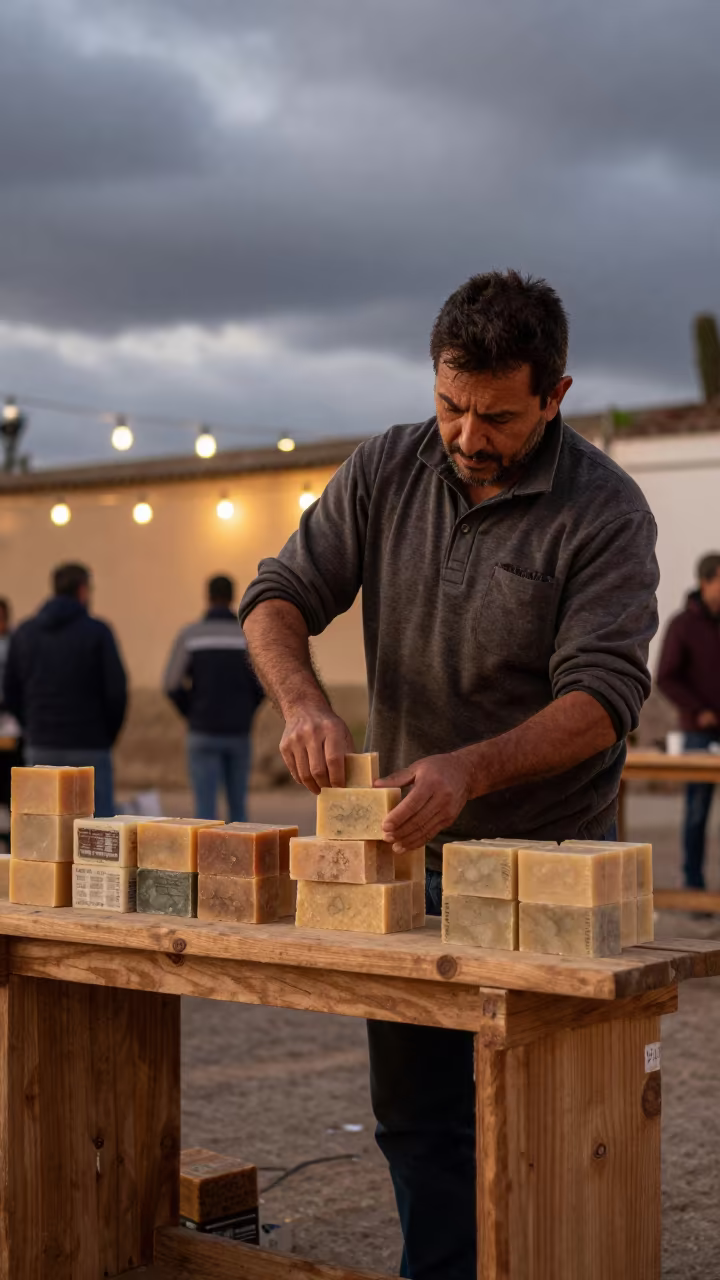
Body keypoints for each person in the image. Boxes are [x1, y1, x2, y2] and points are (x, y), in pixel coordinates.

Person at [239, 270, 659, 1280]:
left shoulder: (606, 510)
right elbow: (277, 595)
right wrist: (301, 699)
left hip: (549, 868)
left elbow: (604, 697)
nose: (469, 436)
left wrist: (472, 768)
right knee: (421, 1127)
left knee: (551, 1121)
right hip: (407, 859)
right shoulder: (387, 465)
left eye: (499, 416)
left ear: (555, 394)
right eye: (451, 405)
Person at [3, 563, 127, 817]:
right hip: (90, 745)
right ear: (82, 591)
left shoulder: (24, 633)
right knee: (98, 835)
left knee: (42, 832)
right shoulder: (98, 632)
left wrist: (31, 726)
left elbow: (10, 690)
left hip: (41, 744)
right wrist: (105, 736)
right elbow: (116, 692)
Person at [163, 574, 264, 822]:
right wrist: (246, 711)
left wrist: (192, 712)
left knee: (205, 813)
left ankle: (203, 861)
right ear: (233, 597)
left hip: (202, 732)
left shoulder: (191, 635)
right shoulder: (247, 636)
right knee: (238, 810)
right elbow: (263, 686)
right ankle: (241, 860)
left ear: (207, 597)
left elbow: (171, 684)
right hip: (238, 733)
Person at [657, 553, 720, 889]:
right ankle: (693, 887)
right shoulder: (682, 625)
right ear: (706, 582)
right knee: (697, 814)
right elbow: (666, 677)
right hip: (698, 734)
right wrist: (698, 711)